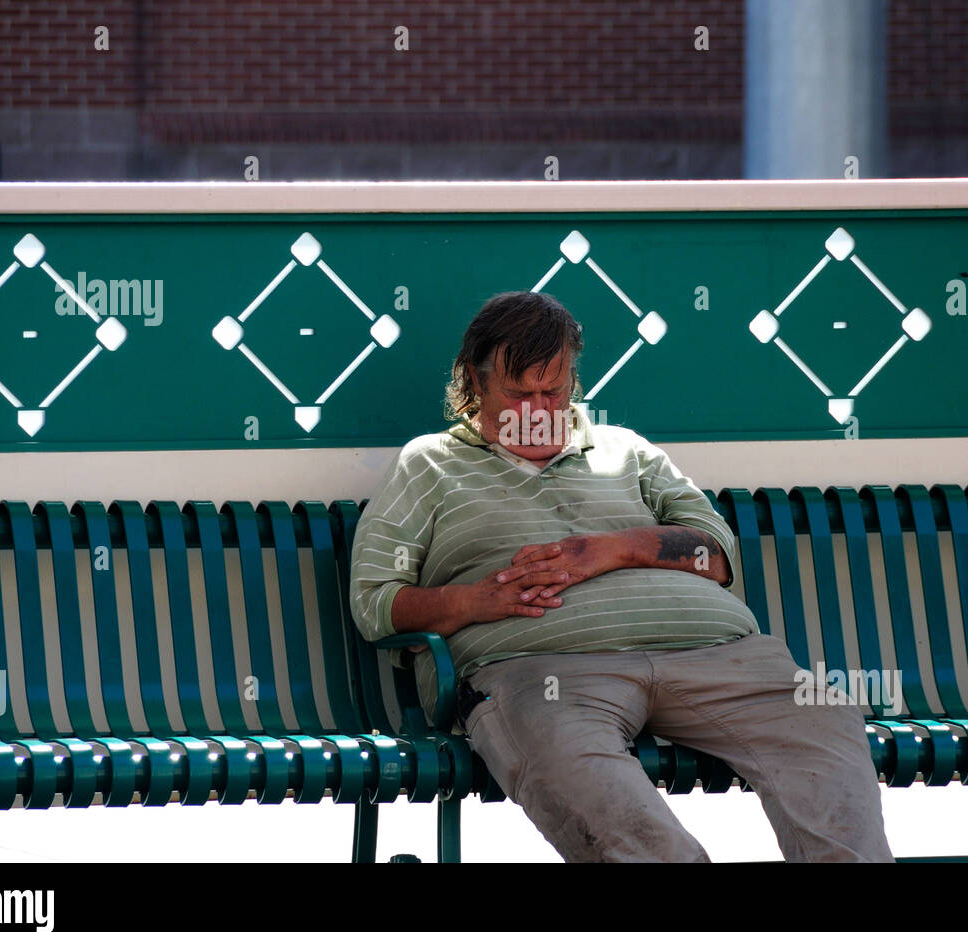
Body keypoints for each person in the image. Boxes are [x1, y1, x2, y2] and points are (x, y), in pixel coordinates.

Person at [349, 290, 894, 863]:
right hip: (543, 675)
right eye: (518, 392)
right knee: (634, 833)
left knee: (824, 722)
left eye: (552, 391)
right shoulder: (430, 463)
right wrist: (470, 602)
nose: (538, 409)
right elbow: (373, 601)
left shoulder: (626, 452)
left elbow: (717, 554)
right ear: (475, 381)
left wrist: (610, 550)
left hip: (721, 658)